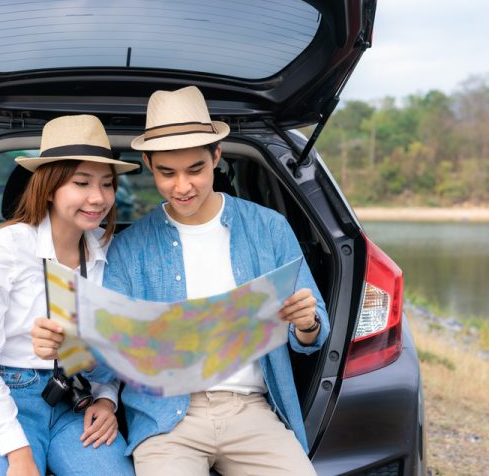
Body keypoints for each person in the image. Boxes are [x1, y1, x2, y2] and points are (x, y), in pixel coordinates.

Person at [32, 87, 330, 475]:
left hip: (252, 411)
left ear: (216, 156)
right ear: (148, 165)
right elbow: (108, 351)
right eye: (167, 173)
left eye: (195, 170)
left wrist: (305, 323)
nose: (182, 187)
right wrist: (99, 390)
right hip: (165, 419)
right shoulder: (128, 247)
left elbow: (313, 335)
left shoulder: (269, 228)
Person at [0, 115, 138, 476]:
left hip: (72, 398)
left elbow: (108, 350)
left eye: (108, 185)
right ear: (49, 187)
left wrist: (107, 399)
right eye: (81, 182)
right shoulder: (3, 248)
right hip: (1, 394)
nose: (98, 198)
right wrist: (18, 455)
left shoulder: (106, 253)